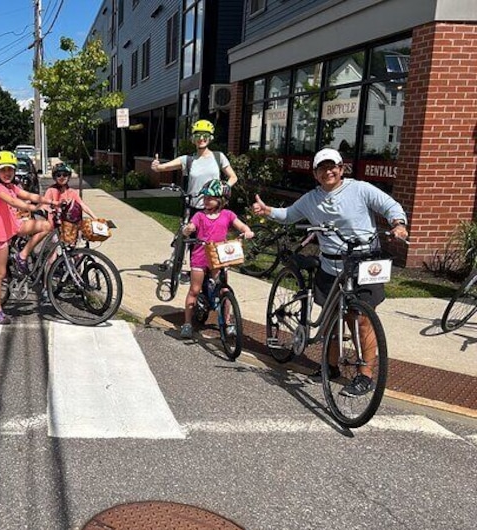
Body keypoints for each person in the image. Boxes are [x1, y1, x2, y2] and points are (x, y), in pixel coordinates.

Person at [251, 147, 409, 396]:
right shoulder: (311, 198)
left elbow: (389, 206)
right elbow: (290, 215)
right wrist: (268, 211)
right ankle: (331, 367)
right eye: (322, 168)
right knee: (332, 320)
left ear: (341, 168)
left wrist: (398, 225)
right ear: (315, 173)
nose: (328, 172)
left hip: (363, 264)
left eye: (332, 166)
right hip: (331, 266)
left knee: (362, 320)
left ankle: (365, 375)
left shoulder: (360, 189)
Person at [0, 151, 57, 325]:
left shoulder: (12, 187)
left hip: (15, 226)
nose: (7, 173)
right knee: (0, 273)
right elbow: (14, 202)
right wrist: (34, 209)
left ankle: (22, 255)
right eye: (3, 170)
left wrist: (50, 202)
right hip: (0, 233)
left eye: (10, 170)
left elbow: (28, 195)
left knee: (47, 226)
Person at [179, 180, 255, 339]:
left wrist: (247, 231)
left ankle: (227, 322)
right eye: (205, 197)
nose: (206, 200)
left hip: (219, 257)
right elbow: (191, 227)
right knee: (194, 289)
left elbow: (241, 226)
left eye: (210, 198)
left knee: (224, 290)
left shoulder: (228, 215)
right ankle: (187, 323)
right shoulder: (199, 215)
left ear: (221, 200)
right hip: (200, 257)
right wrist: (188, 229)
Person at [150, 119, 238, 213]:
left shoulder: (219, 157)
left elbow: (233, 177)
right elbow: (163, 167)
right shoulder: (187, 160)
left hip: (214, 208)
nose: (201, 139)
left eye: (205, 135)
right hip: (194, 208)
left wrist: (223, 187)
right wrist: (156, 166)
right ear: (193, 139)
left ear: (210, 138)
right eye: (197, 136)